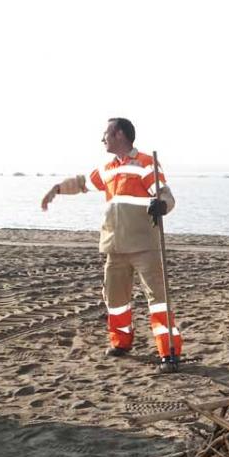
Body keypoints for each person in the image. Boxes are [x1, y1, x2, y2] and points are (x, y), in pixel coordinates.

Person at [40, 118, 182, 372]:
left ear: (119, 134)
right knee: (116, 301)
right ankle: (121, 343)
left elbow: (165, 195)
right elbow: (83, 183)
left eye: (105, 133)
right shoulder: (107, 167)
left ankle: (168, 352)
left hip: (143, 245)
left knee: (158, 300)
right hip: (114, 247)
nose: (102, 138)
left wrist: (162, 206)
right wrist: (57, 189)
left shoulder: (146, 163)